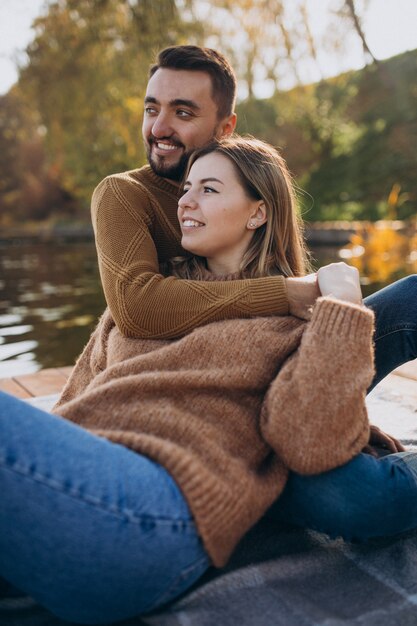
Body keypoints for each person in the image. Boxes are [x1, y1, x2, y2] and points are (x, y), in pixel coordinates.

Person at [0, 136, 416, 625]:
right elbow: (76, 403)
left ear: (257, 213)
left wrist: (343, 305)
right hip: (81, 488)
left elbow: (309, 441)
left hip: (155, 513)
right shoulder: (150, 304)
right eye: (187, 187)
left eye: (210, 189)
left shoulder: (304, 322)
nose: (185, 201)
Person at [91, 44, 417, 392]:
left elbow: (286, 300)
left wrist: (338, 326)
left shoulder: (250, 187)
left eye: (182, 113)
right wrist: (287, 293)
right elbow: (137, 309)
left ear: (225, 127)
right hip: (176, 384)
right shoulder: (122, 193)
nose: (158, 128)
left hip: (262, 367)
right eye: (151, 109)